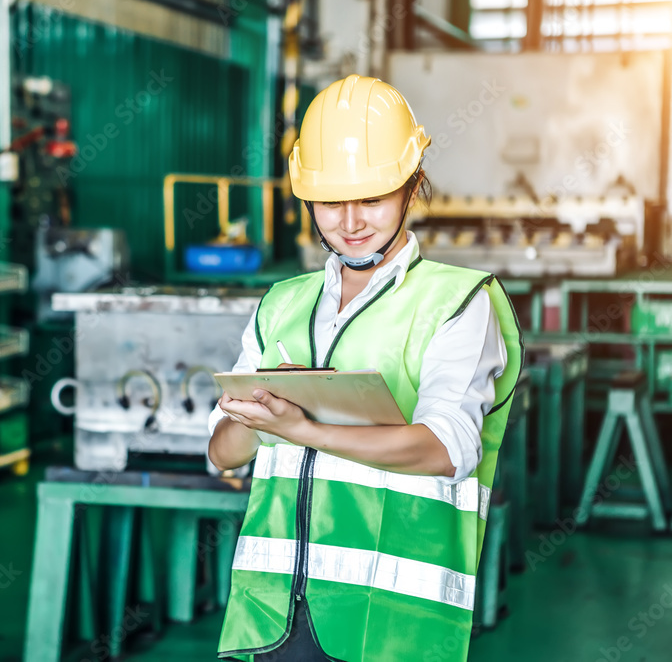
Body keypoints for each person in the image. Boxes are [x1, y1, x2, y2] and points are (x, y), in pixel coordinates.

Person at [207, 74, 523, 662]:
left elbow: (449, 449)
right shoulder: (283, 303)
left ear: (412, 185)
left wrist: (304, 428)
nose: (349, 221)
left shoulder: (456, 302)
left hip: (390, 621)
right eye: (329, 201)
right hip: (273, 611)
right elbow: (221, 454)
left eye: (372, 198)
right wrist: (255, 417)